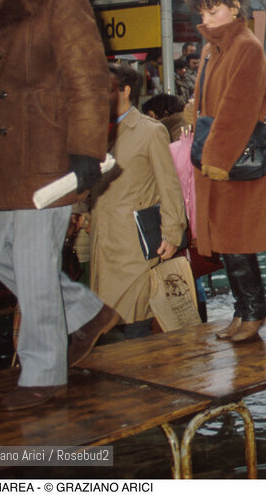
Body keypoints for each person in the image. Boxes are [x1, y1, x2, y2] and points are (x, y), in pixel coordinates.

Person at [0, 0, 116, 410]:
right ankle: (87, 311)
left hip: (46, 151)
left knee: (32, 266)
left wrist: (86, 152)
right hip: (0, 158)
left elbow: (87, 76)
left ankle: (43, 375)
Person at [186, 0, 266, 342]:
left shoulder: (244, 47)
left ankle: (254, 310)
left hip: (234, 158)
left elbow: (238, 110)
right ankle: (244, 310)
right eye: (204, 11)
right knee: (225, 238)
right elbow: (205, 103)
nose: (208, 17)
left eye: (215, 9)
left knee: (236, 237)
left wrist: (216, 160)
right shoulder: (212, 48)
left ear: (236, 6)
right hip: (219, 154)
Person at [88, 63, 187, 339]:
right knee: (104, 322)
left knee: (135, 320)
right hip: (101, 239)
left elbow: (169, 186)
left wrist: (172, 232)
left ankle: (141, 379)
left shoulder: (151, 131)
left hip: (133, 245)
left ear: (125, 90)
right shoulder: (96, 131)